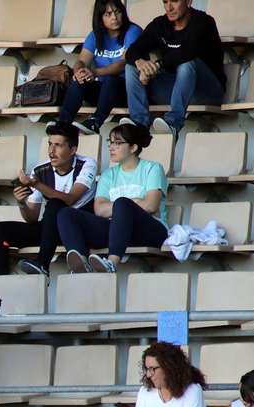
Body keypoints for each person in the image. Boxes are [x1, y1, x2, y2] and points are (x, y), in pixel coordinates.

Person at [0, 123, 97, 276]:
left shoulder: (87, 164)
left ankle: (43, 263)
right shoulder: (40, 170)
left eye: (58, 146)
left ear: (73, 150)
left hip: (77, 229)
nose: (52, 151)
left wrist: (37, 184)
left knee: (55, 204)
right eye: (50, 145)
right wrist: (22, 203)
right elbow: (32, 218)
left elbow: (70, 200)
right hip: (50, 231)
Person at [58, 121, 167, 275]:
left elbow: (150, 205)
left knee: (122, 203)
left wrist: (125, 206)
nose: (111, 147)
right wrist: (135, 202)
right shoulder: (108, 175)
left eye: (117, 143)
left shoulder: (152, 168)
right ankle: (81, 264)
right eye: (110, 142)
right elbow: (99, 210)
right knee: (66, 213)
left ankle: (111, 264)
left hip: (150, 231)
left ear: (133, 147)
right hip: (116, 231)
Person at [121, 0, 225, 136]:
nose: (169, 7)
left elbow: (187, 52)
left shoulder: (204, 22)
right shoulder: (160, 24)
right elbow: (133, 50)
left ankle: (174, 123)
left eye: (175, 1)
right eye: (165, 2)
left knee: (186, 64)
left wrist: (157, 65)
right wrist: (140, 63)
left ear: (188, 1)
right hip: (174, 90)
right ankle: (140, 123)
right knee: (132, 67)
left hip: (208, 92)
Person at [59, 0, 140, 135]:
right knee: (78, 79)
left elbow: (123, 64)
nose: (114, 17)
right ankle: (63, 124)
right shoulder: (95, 36)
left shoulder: (133, 31)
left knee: (110, 78)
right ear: (100, 18)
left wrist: (95, 73)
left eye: (117, 12)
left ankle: (95, 122)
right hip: (103, 94)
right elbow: (81, 61)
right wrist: (80, 72)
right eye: (108, 14)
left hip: (127, 92)